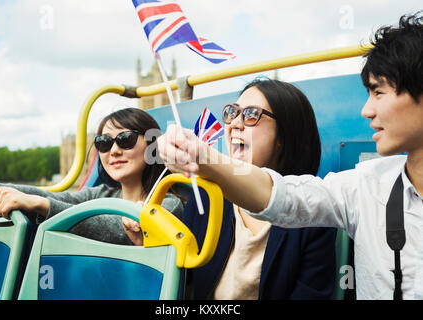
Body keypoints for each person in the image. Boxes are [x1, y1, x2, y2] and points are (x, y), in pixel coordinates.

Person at [157, 12, 423, 300]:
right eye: (232, 113)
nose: (366, 111)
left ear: (285, 136)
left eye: (378, 92)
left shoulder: (318, 225)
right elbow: (285, 197)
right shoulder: (362, 188)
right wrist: (204, 159)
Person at [154, 78, 336, 300]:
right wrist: (148, 244)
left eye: (251, 115)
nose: (234, 124)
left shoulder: (312, 211)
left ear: (285, 136)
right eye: (232, 112)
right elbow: (179, 277)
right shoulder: (206, 198)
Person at [0, 108, 184, 245]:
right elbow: (60, 198)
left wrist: (40, 204)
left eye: (125, 139)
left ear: (153, 144)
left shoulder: (168, 204)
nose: (114, 150)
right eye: (103, 142)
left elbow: (113, 229)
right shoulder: (104, 193)